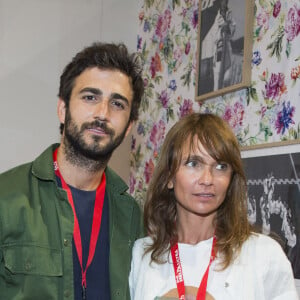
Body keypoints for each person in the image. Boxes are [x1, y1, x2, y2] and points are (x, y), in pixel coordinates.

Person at [0, 42, 144, 300]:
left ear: (130, 125)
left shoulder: (131, 214)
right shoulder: (5, 197)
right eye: (90, 97)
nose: (103, 113)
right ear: (62, 109)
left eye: (118, 104)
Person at [129, 113, 299, 299]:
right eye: (193, 163)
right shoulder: (143, 254)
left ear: (231, 178)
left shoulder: (264, 254)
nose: (207, 179)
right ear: (170, 176)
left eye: (220, 167)